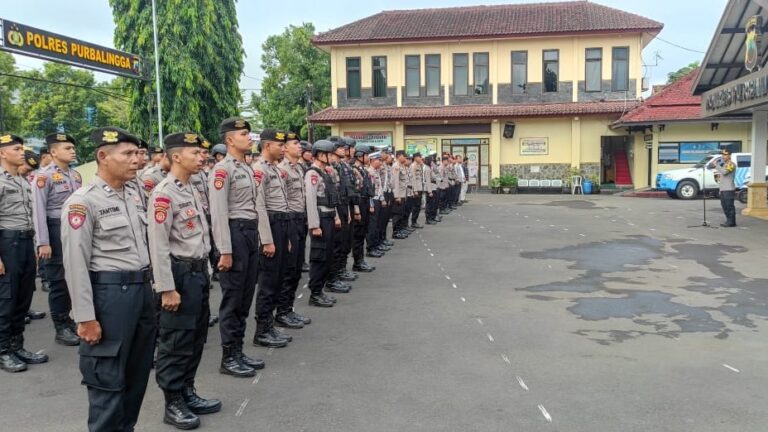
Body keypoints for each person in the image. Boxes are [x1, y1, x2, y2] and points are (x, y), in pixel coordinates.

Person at [61, 127, 156, 431]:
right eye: (127, 154)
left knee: (136, 378)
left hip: (141, 291)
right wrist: (85, 317)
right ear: (103, 156)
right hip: (110, 296)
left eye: (136, 153)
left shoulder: (133, 193)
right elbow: (75, 264)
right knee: (108, 382)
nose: (136, 160)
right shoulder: (83, 201)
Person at [148, 132, 220, 429]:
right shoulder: (164, 193)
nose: (202, 156)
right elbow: (158, 245)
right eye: (195, 152)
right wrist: (167, 288)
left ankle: (188, 390)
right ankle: (172, 401)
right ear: (176, 156)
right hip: (178, 276)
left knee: (195, 337)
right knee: (175, 341)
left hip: (198, 272)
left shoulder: (192, 188)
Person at [209, 117, 264, 378]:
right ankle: (228, 356)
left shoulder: (245, 167)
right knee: (232, 298)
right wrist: (225, 250)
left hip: (249, 232)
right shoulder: (223, 169)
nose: (249, 138)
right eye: (244, 134)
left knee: (245, 297)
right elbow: (219, 212)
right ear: (229, 140)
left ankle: (239, 351)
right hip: (235, 233)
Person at [0, 133, 48, 373]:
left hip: (25, 242)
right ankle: (3, 351)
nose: (23, 152)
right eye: (17, 149)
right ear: (2, 153)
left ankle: (17, 345)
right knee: (6, 300)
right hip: (7, 243)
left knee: (22, 298)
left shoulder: (20, 179)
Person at [32, 133, 83, 346]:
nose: (72, 151)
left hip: (73, 228)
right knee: (58, 281)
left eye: (73, 148)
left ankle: (69, 319)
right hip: (54, 229)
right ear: (53, 152)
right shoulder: (44, 177)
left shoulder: (76, 175)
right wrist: (43, 242)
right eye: (67, 148)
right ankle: (60, 327)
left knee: (73, 276)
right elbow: (38, 209)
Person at [252, 129, 293, 348]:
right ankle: (262, 330)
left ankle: (270, 326)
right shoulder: (259, 170)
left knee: (277, 278)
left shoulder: (275, 169)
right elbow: (259, 206)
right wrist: (267, 239)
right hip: (271, 225)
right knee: (268, 281)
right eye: (280, 145)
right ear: (267, 146)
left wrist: (284, 237)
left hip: (281, 225)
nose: (283, 148)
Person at [277, 132, 312, 328]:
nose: (300, 147)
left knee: (297, 267)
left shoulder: (298, 168)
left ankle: (288, 309)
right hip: (289, 221)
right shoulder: (282, 170)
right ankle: (282, 311)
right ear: (285, 148)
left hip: (300, 220)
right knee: (289, 269)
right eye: (295, 144)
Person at [304, 140, 340, 308]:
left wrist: (337, 216)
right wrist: (314, 225)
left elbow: (332, 198)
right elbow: (311, 201)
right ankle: (315, 293)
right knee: (319, 257)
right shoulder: (312, 174)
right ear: (320, 155)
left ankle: (320, 290)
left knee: (328, 256)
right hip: (320, 219)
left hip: (330, 216)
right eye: (329, 154)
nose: (332, 157)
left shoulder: (325, 173)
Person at [351, 145, 377, 271]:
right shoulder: (354, 170)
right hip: (359, 202)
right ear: (359, 156)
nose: (368, 157)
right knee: (358, 234)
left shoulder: (363, 170)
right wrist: (356, 209)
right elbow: (355, 191)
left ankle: (360, 260)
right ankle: (357, 261)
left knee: (362, 233)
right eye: (366, 155)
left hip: (365, 202)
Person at [714, 149, 737, 227]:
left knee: (729, 206)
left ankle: (732, 222)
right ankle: (728, 220)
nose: (723, 156)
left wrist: (716, 166)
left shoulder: (731, 164)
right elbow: (721, 176)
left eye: (725, 155)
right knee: (724, 206)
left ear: (729, 156)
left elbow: (725, 172)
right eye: (723, 155)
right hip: (723, 189)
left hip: (729, 189)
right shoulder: (723, 165)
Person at [391, 150, 409, 239]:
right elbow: (395, 182)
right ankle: (395, 232)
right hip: (399, 194)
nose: (405, 157)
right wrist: (396, 196)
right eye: (404, 156)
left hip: (403, 193)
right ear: (398, 156)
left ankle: (400, 229)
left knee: (401, 213)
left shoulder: (402, 166)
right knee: (397, 214)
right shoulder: (396, 166)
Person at [409, 152, 426, 229]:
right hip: (416, 189)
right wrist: (415, 190)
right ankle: (413, 222)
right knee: (416, 206)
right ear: (415, 157)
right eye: (419, 157)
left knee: (418, 206)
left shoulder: (419, 165)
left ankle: (415, 221)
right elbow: (413, 179)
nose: (421, 158)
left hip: (420, 188)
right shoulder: (413, 166)